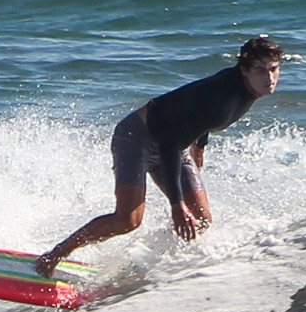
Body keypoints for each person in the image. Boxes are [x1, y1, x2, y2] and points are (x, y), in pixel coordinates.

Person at [35, 35, 284, 277]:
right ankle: (56, 254)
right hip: (137, 138)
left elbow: (197, 113)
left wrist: (200, 146)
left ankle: (158, 264)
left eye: (273, 69)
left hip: (174, 142)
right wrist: (177, 205)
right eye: (261, 71)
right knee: (128, 220)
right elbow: (172, 145)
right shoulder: (223, 98)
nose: (269, 78)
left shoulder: (243, 89)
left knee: (201, 219)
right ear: (244, 71)